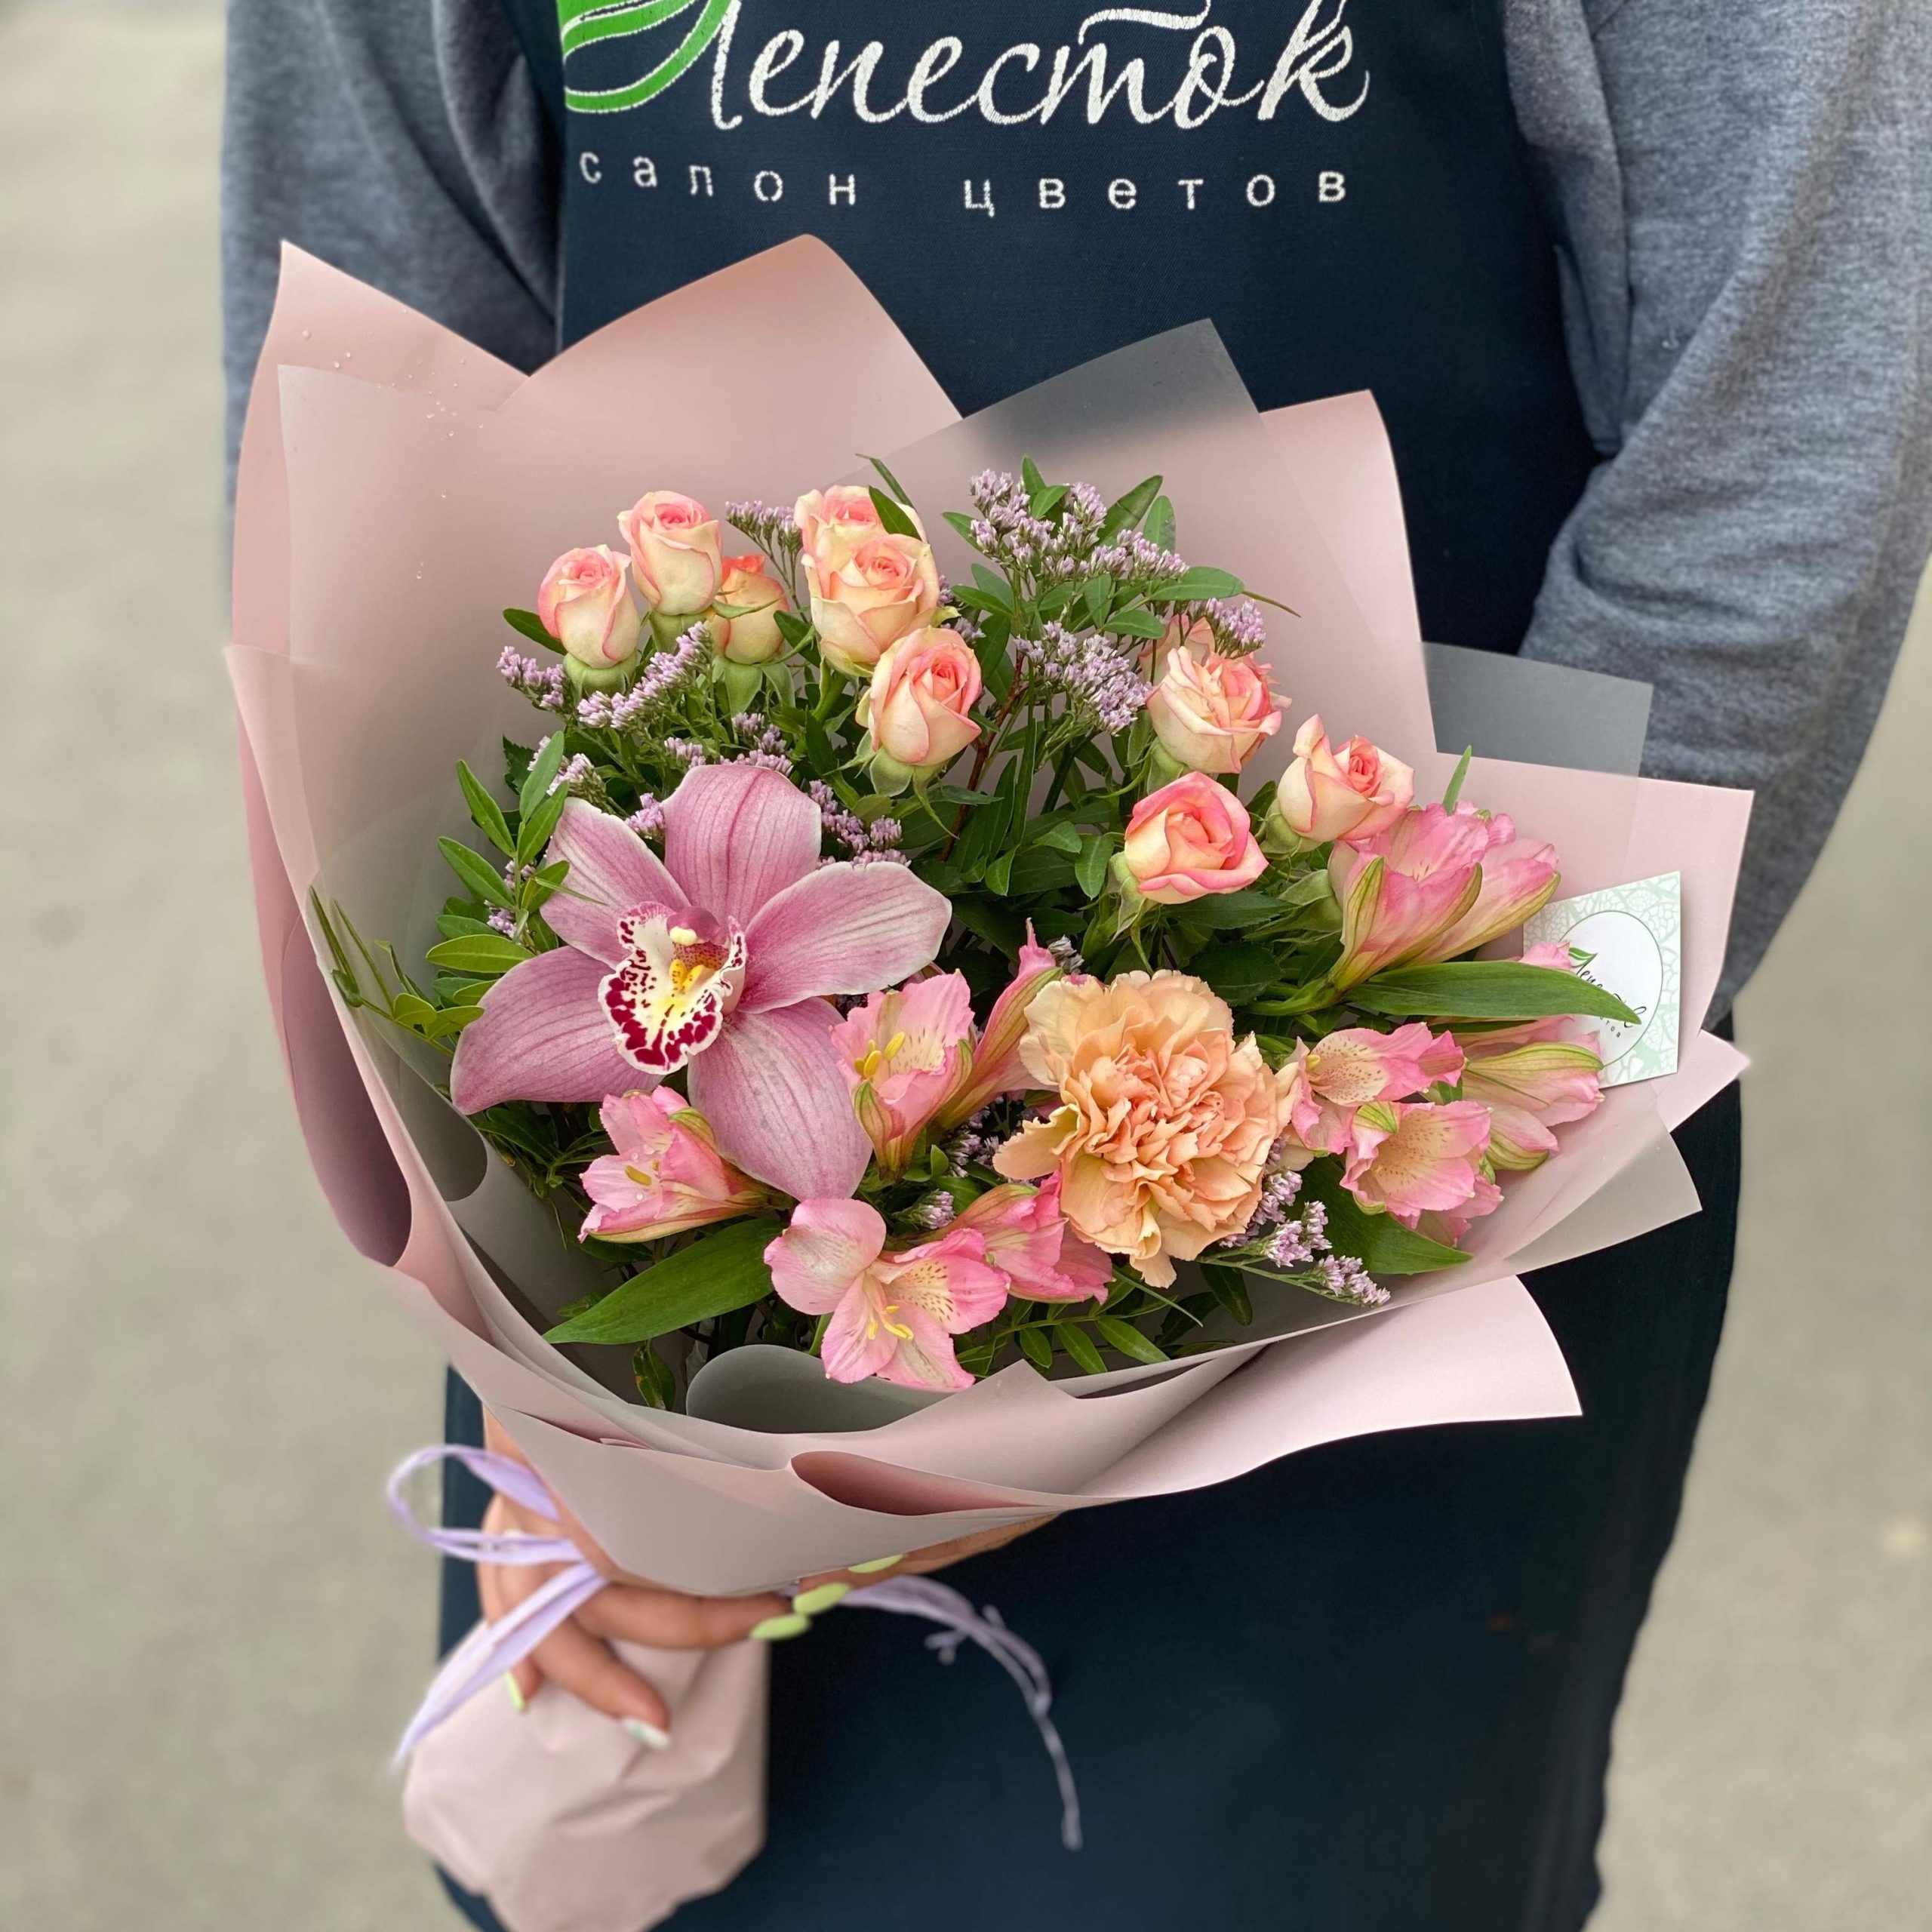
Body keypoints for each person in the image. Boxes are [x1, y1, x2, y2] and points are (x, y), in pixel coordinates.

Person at [221, 4, 1932, 1927]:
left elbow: (1765, 482)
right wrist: (549, 1324)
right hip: (640, 1239)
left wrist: (1493, 1123)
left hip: (1373, 1253)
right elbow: (374, 422)